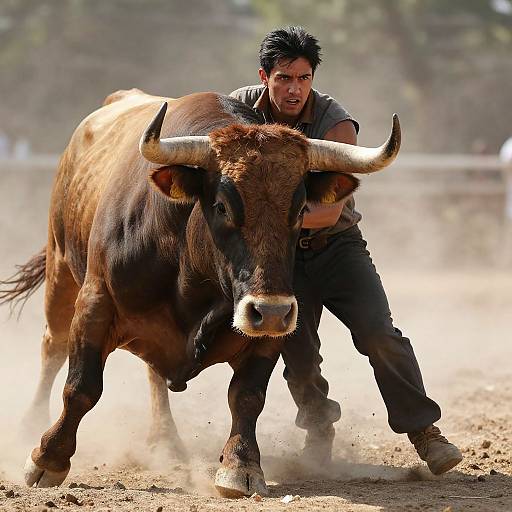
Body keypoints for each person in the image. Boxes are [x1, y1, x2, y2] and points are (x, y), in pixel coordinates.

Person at [230, 26, 463, 475]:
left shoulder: (333, 122)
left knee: (378, 333)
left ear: (313, 77)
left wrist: (268, 216)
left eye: (303, 78)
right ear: (265, 76)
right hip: (280, 258)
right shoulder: (239, 109)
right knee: (296, 355)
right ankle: (319, 428)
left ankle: (425, 433)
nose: (294, 88)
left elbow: (329, 211)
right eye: (283, 78)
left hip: (337, 248)